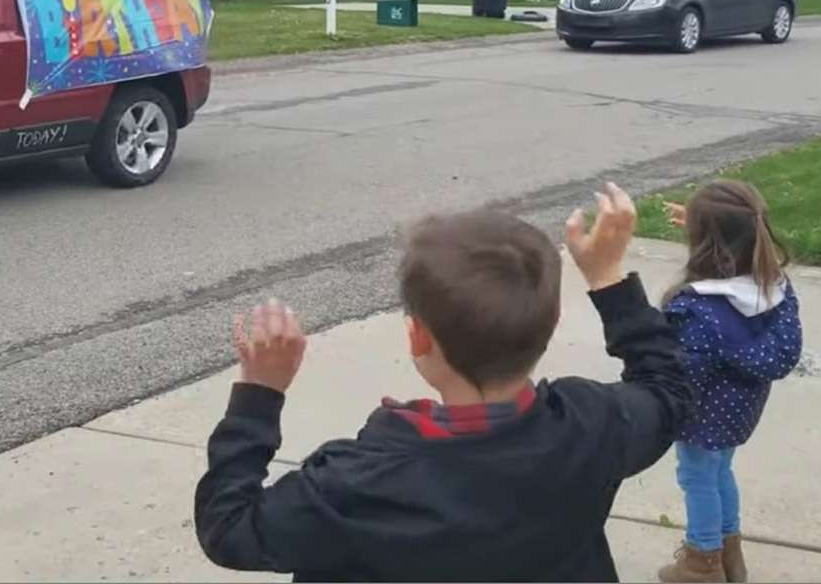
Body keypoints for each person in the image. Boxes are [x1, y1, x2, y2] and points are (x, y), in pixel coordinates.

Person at [194, 183, 694, 581]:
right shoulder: (593, 427)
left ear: (417, 338)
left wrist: (260, 394)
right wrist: (607, 278)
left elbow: (230, 529)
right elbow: (669, 388)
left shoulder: (354, 483)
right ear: (553, 323)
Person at [656, 181, 803, 584]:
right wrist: (716, 225)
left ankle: (702, 561)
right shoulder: (774, 288)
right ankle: (730, 556)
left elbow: (688, 375)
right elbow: (785, 349)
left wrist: (670, 412)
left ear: (705, 243)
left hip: (701, 415)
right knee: (720, 472)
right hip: (740, 411)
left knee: (697, 477)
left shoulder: (697, 308)